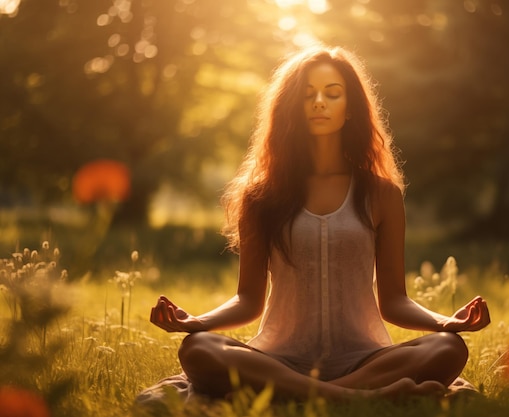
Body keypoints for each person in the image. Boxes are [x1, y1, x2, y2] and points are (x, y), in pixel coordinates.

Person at [148, 45, 490, 402]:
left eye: (332, 93)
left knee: (449, 348)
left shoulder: (382, 194)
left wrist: (445, 323)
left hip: (365, 359)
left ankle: (311, 396)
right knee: (197, 349)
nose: (319, 102)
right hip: (278, 358)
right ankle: (356, 399)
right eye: (307, 94)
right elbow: (248, 300)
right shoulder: (261, 196)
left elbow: (395, 302)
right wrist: (197, 323)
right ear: (291, 108)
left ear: (351, 108)